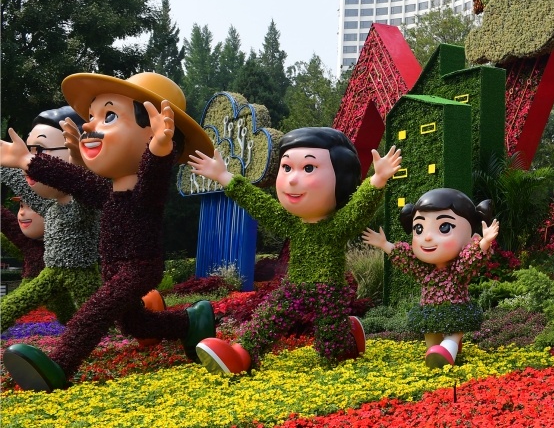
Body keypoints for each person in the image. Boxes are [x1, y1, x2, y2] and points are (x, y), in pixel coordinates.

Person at [0, 72, 216, 392]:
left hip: (138, 267)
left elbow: (154, 177)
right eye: (91, 116)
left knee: (93, 311)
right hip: (114, 268)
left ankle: (60, 365)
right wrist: (25, 160)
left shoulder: (146, 192)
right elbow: (73, 180)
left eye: (109, 116)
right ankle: (191, 321)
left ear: (154, 131)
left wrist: (159, 149)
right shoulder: (108, 193)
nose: (90, 126)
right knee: (134, 323)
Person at [188, 128, 401, 374]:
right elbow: (260, 204)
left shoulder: (338, 225)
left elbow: (358, 207)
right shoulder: (291, 223)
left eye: (308, 168)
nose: (291, 180)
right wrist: (223, 176)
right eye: (287, 167)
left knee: (332, 345)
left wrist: (378, 179)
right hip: (294, 285)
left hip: (329, 289)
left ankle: (349, 343)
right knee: (268, 317)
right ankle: (241, 354)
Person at [362, 188, 498, 368]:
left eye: (444, 227)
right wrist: (384, 244)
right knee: (431, 343)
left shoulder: (458, 270)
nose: (427, 237)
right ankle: (442, 353)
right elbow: (406, 259)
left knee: (453, 333)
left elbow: (470, 260)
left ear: (471, 237)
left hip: (456, 311)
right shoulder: (424, 270)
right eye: (419, 228)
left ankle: (450, 347)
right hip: (429, 312)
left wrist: (485, 242)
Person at [0, 107, 102, 331]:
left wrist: (80, 168)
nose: (31, 159)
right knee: (12, 308)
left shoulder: (85, 201)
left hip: (82, 274)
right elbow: (15, 178)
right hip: (51, 273)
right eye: (29, 150)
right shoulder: (49, 206)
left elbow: (85, 188)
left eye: (39, 150)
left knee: (103, 322)